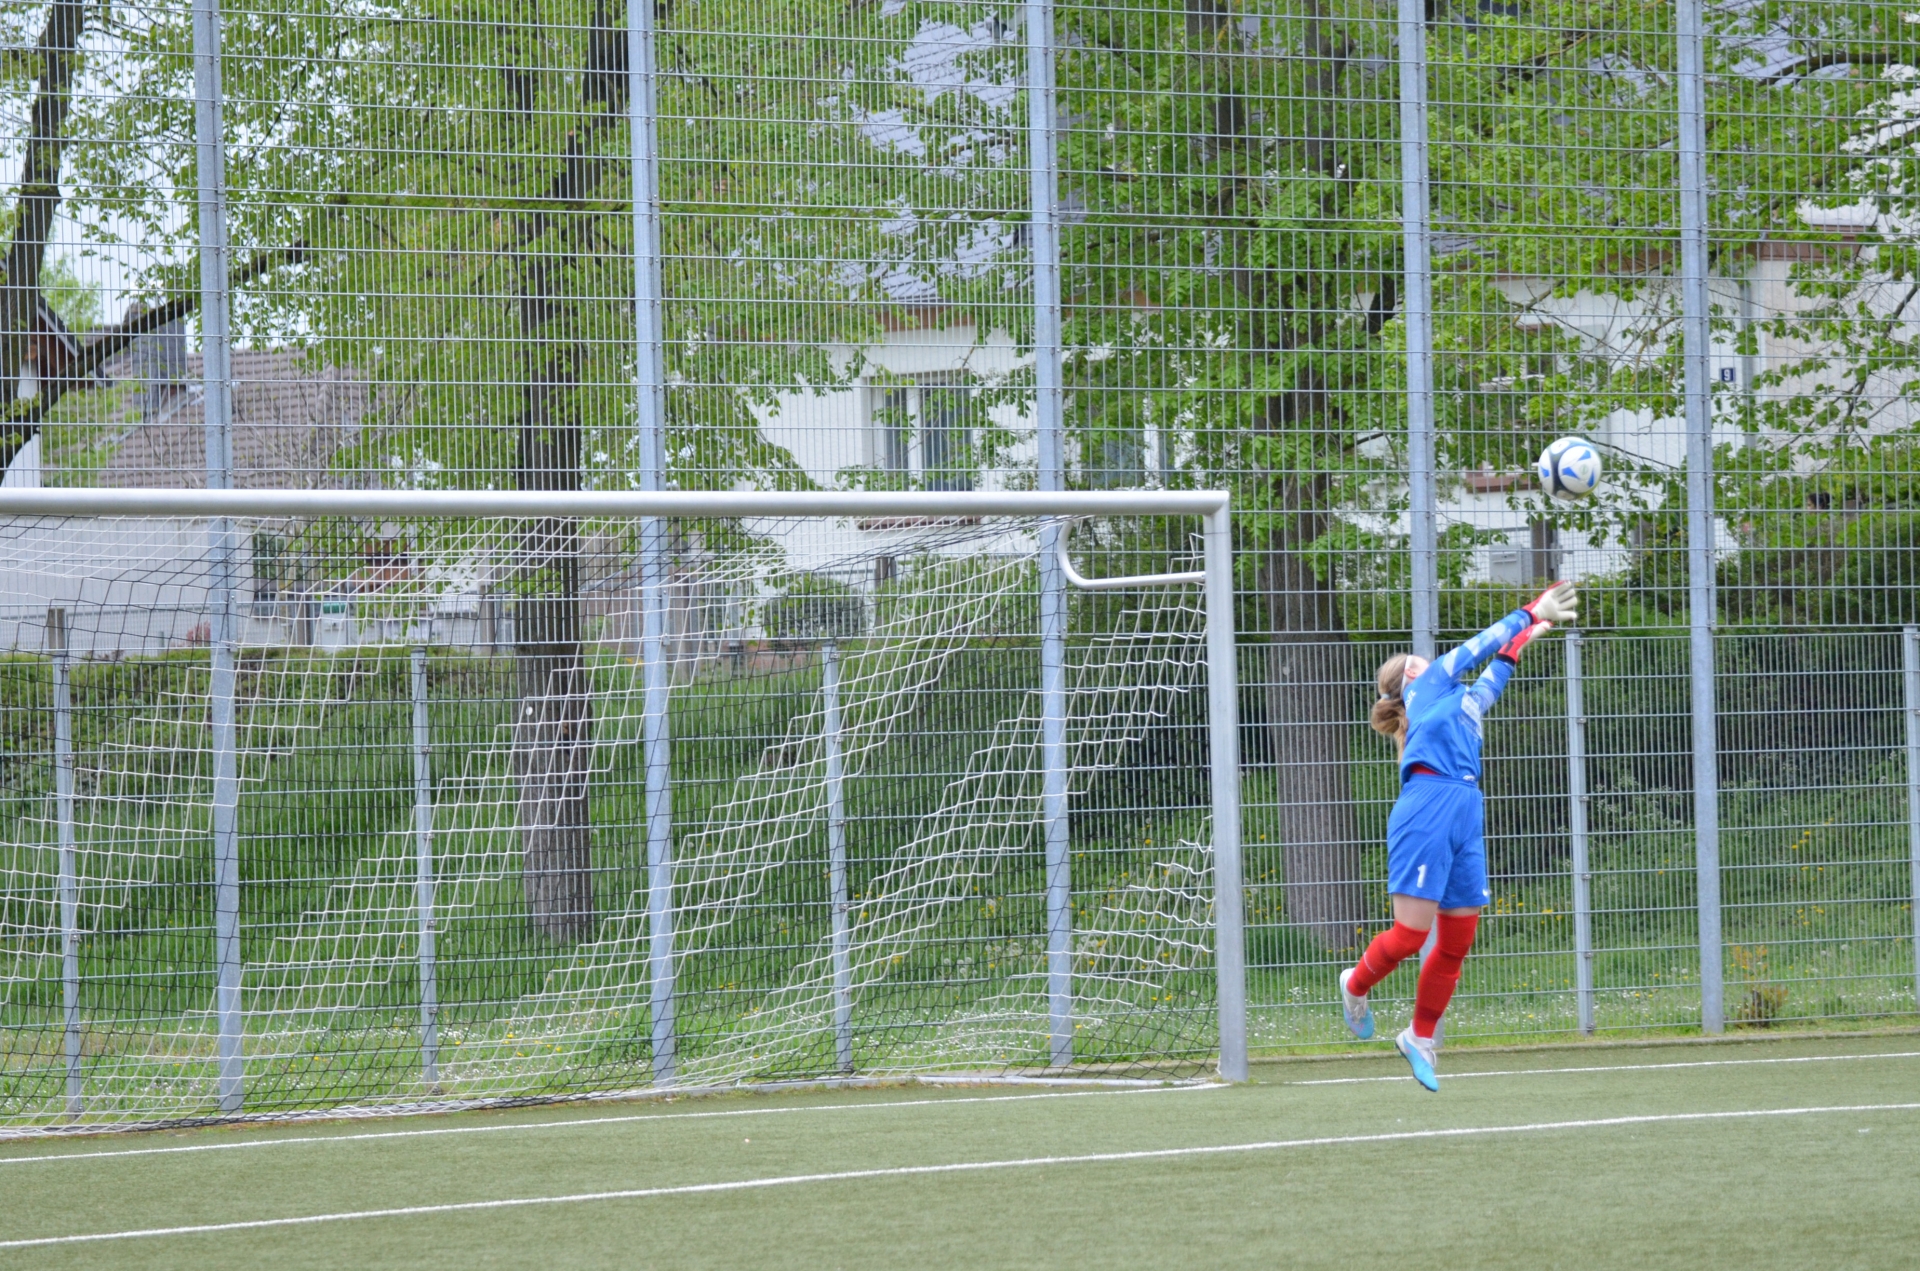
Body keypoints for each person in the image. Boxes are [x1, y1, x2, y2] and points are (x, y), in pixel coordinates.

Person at [1337, 581, 1578, 1090]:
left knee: (1458, 939)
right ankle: (1355, 985)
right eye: (1414, 662)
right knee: (1410, 936)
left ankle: (1419, 1037)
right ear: (1408, 681)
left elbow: (1496, 670)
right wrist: (1530, 610)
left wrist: (1527, 634)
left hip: (1466, 808)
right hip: (1428, 806)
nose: (1424, 661)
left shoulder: (1460, 703)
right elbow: (1477, 647)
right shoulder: (1426, 688)